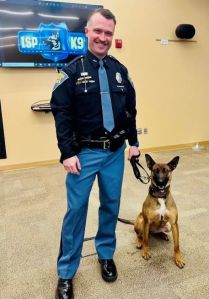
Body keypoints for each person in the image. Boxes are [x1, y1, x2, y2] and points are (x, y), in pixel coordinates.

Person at [50, 8, 140, 299]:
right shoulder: (72, 71)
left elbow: (130, 112)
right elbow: (61, 113)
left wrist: (134, 142)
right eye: (98, 31)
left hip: (114, 151)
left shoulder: (119, 71)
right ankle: (66, 273)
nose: (103, 37)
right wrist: (66, 153)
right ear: (86, 32)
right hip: (83, 154)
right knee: (76, 212)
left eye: (109, 33)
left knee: (111, 206)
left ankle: (105, 254)